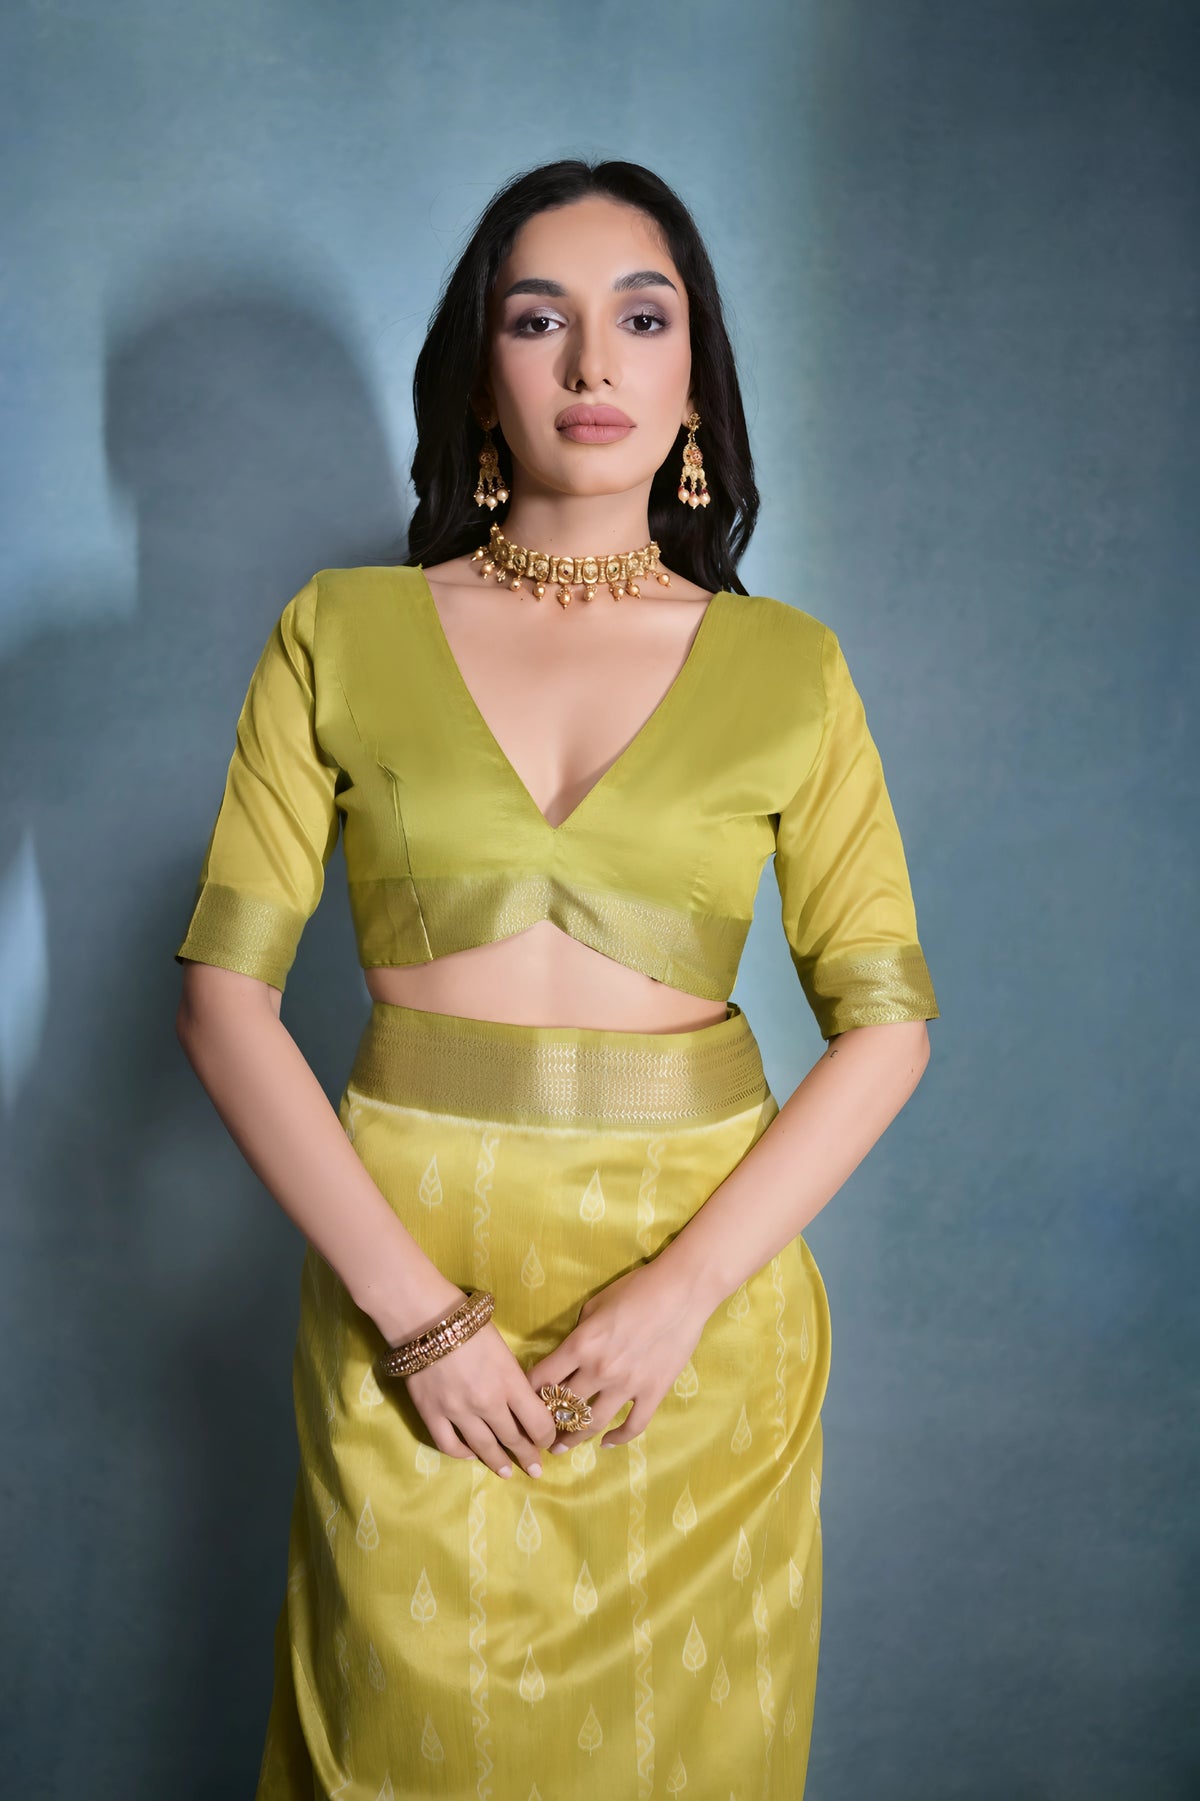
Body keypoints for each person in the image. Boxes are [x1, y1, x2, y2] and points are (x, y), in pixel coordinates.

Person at [174, 157, 939, 1801]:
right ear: (481, 371)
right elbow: (221, 1003)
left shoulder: (789, 664)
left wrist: (687, 1291)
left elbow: (888, 1023)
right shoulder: (340, 629)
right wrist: (418, 1317)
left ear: (691, 378)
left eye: (640, 316)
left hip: (691, 1315)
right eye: (542, 318)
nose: (593, 363)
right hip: (406, 1289)